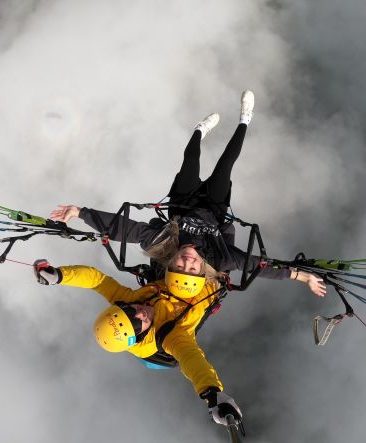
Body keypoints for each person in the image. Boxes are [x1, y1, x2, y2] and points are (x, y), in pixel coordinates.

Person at [51, 90, 327, 297]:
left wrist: (80, 213)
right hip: (215, 212)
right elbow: (257, 266)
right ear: (202, 270)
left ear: (170, 264)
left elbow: (125, 229)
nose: (188, 261)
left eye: (180, 265)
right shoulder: (221, 259)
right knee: (224, 167)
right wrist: (302, 277)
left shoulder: (161, 245)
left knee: (190, 159)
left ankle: (199, 130)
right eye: (193, 269)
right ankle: (245, 119)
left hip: (181, 206)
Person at [33, 258, 242, 427]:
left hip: (171, 285)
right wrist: (212, 394)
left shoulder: (130, 301)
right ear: (139, 336)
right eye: (137, 324)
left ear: (122, 306)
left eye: (130, 312)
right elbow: (191, 359)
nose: (140, 313)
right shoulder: (169, 336)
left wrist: (59, 275)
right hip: (207, 283)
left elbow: (95, 280)